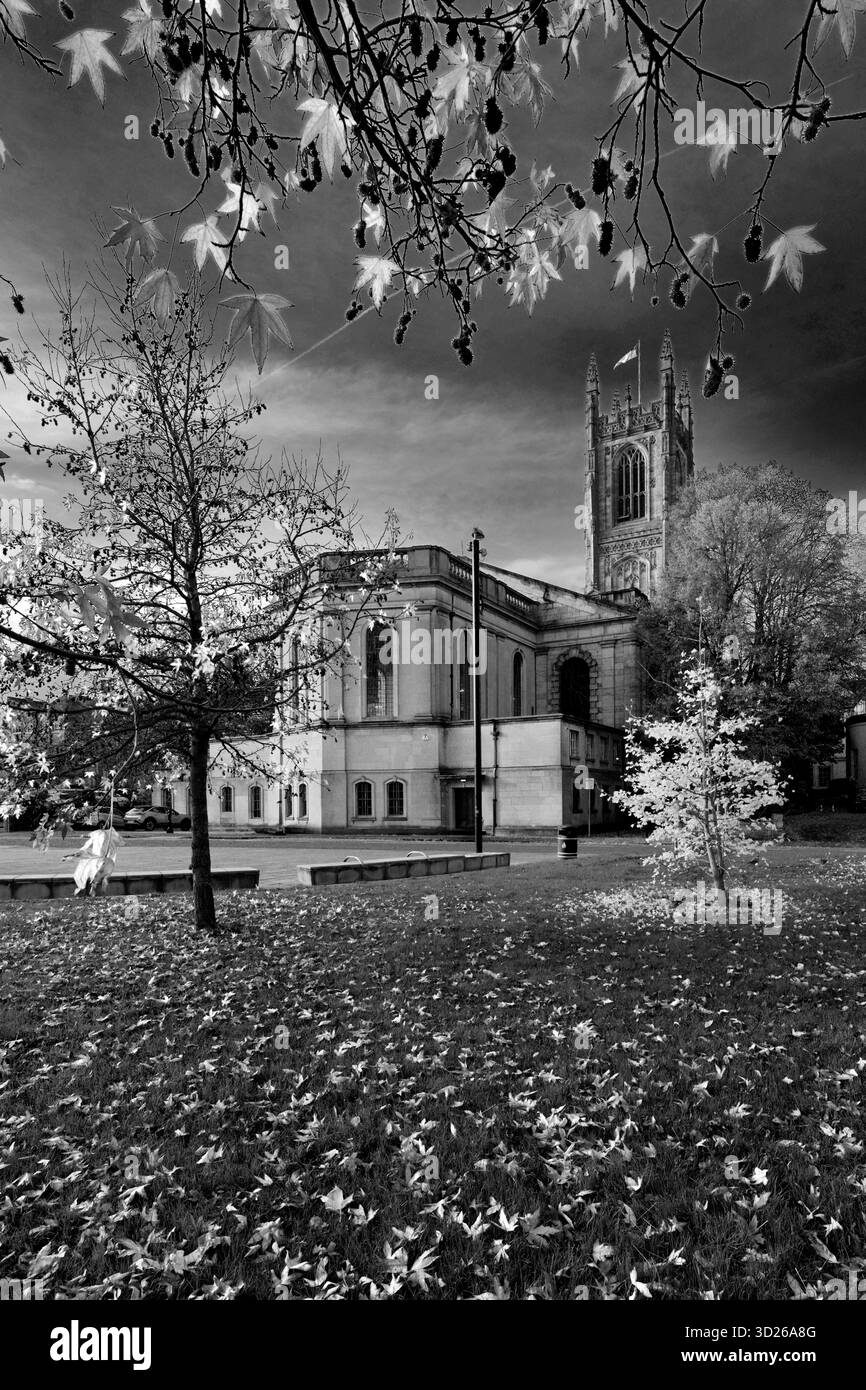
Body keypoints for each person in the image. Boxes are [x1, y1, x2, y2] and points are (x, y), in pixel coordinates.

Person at [63, 826, 122, 896]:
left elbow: (85, 848)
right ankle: (90, 889)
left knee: (93, 873)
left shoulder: (104, 836)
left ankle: (90, 889)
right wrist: (71, 856)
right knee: (91, 873)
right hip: (100, 860)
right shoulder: (102, 836)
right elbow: (84, 849)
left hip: (101, 860)